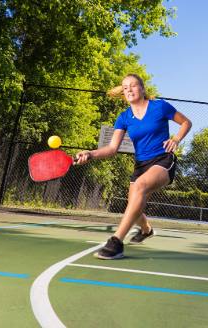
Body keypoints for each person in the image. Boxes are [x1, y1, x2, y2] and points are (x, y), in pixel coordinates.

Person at [75, 74, 192, 260]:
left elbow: (186, 122)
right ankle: (147, 230)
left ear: (142, 89)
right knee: (134, 208)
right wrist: (89, 153)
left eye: (133, 86)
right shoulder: (123, 118)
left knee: (139, 187)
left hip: (163, 159)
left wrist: (176, 139)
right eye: (125, 87)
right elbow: (112, 148)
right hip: (141, 165)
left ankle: (116, 243)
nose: (129, 89)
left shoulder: (160, 107)